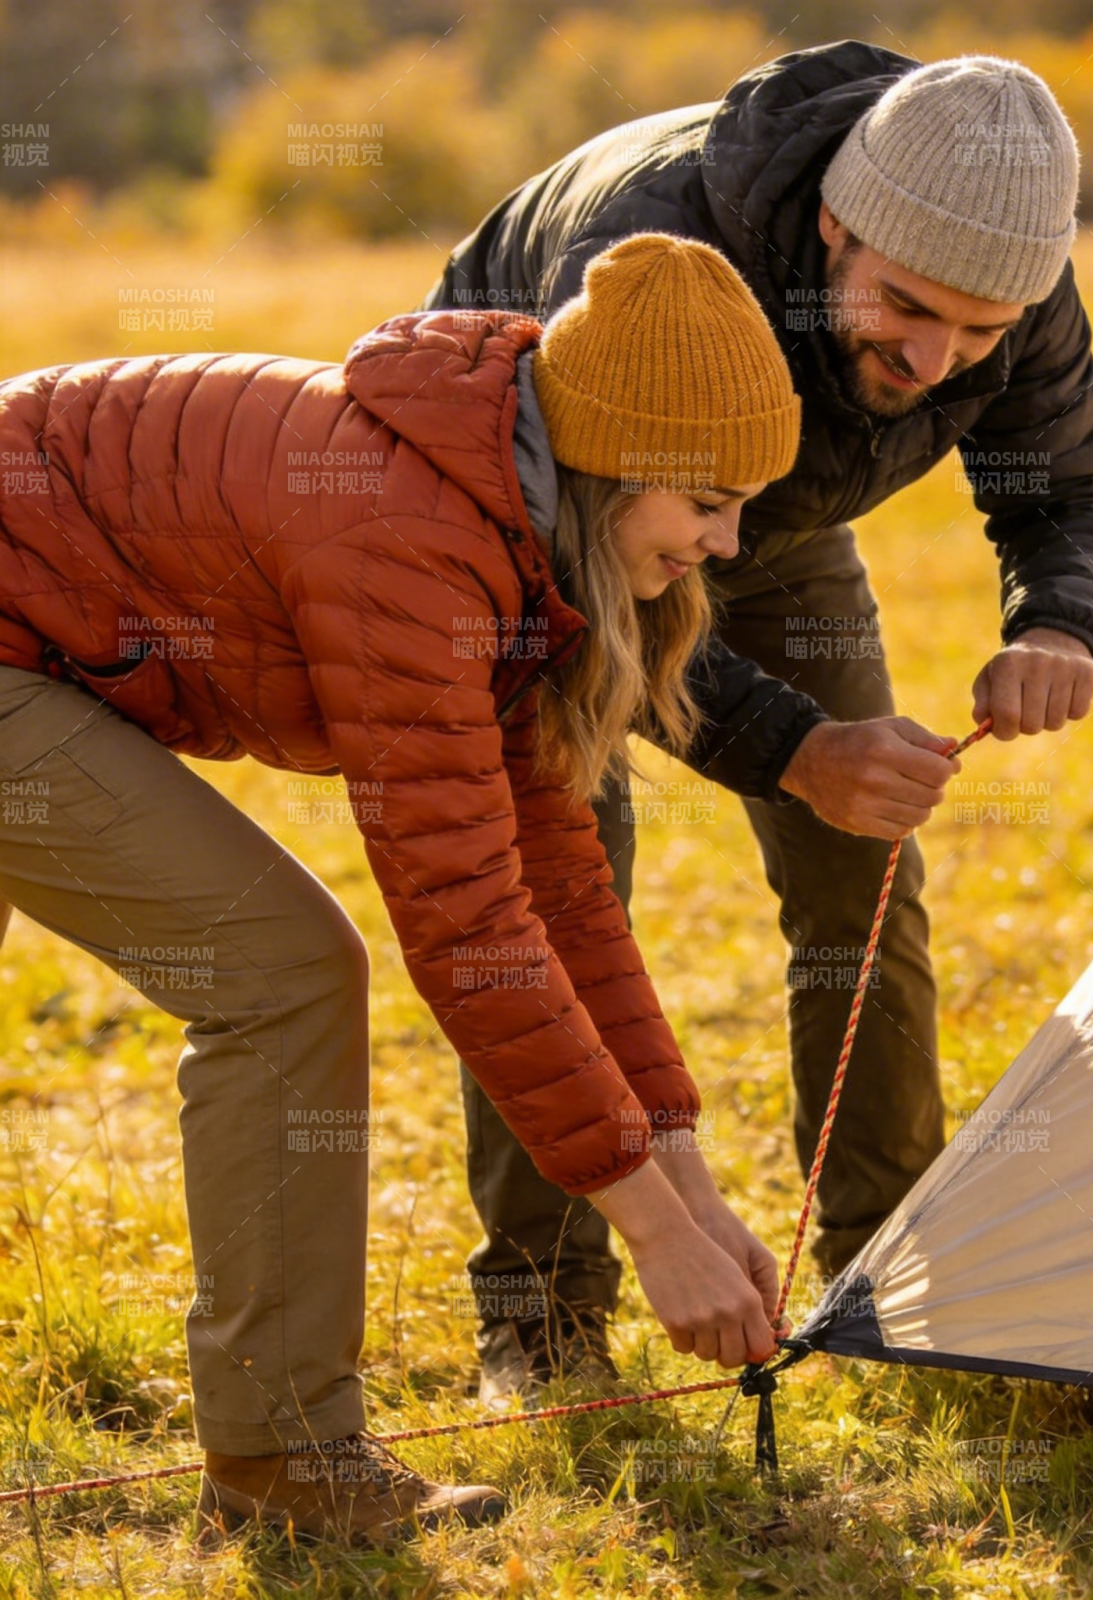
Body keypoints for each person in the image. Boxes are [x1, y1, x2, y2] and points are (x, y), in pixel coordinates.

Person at [0, 233, 808, 1544]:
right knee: (284, 977)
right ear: (608, 467)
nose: (722, 542)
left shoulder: (505, 523)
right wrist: (654, 1237)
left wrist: (693, 1186)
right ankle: (286, 1467)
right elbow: (468, 924)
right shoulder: (408, 540)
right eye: (706, 500)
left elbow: (554, 883)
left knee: (288, 968)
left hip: (34, 636)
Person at [424, 44, 1093, 1404]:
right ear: (834, 224)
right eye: (907, 310)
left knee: (861, 861)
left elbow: (1074, 494)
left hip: (775, 513)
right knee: (560, 898)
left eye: (979, 336)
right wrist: (798, 750)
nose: (936, 361)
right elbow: (588, 601)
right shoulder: (651, 252)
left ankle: (890, 1269)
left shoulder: (1006, 269)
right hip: (544, 517)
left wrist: (1062, 624)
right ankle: (544, 1325)